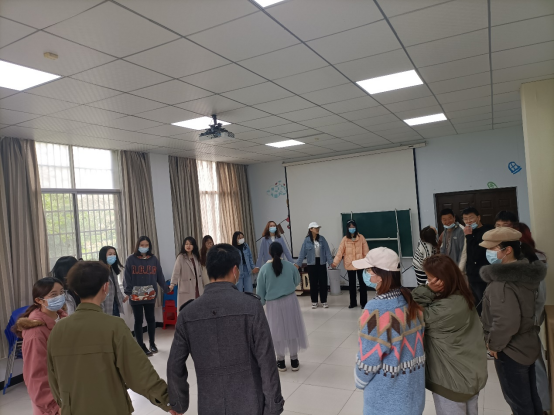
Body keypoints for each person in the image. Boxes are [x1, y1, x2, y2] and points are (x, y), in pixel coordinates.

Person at [167, 244, 284, 415]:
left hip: (209, 405)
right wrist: (273, 406)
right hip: (250, 403)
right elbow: (267, 361)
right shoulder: (251, 306)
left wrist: (178, 403)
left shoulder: (187, 314)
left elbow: (174, 365)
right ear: (235, 270)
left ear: (208, 271)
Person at [47, 261, 172, 415]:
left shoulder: (58, 329)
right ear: (105, 287)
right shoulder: (114, 326)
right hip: (110, 406)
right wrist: (167, 400)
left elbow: (52, 376)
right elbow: (138, 371)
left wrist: (62, 403)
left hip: (72, 409)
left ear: (75, 290)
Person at [479, 227, 546, 415]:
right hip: (529, 343)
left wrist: (494, 344)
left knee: (519, 404)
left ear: (507, 250)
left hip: (511, 350)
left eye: (492, 249)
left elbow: (506, 322)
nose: (488, 253)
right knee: (531, 399)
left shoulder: (502, 283)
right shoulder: (525, 274)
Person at [352, 247, 425, 415]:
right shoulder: (410, 301)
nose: (365, 274)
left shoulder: (375, 310)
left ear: (380, 276)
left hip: (386, 402)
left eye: (368, 270)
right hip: (413, 397)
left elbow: (368, 361)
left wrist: (359, 380)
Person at [412, 255, 487, 415]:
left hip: (452, 381)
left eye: (430, 279)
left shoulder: (447, 308)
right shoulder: (461, 295)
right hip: (469, 374)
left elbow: (412, 309)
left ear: (442, 281)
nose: (428, 282)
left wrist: (428, 290)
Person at [13, 278, 67, 415]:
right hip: (53, 404)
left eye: (62, 292)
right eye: (54, 295)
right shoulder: (35, 333)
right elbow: (36, 376)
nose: (60, 297)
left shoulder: (63, 319)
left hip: (67, 391)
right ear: (39, 300)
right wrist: (54, 407)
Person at [257, 242, 308, 372]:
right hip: (290, 300)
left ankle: (280, 361)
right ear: (282, 253)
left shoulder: (264, 269)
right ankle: (294, 360)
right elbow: (296, 281)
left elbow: (260, 290)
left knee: (277, 331)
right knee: (292, 329)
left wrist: (261, 303)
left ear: (269, 253)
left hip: (273, 304)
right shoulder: (290, 266)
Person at [123, 236, 170, 356]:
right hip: (135, 295)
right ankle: (140, 345)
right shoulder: (131, 259)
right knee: (138, 320)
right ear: (138, 246)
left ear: (149, 246)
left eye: (146, 245)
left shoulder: (153, 259)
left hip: (150, 294)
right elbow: (127, 277)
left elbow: (159, 275)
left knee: (151, 319)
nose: (144, 247)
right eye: (142, 245)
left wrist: (166, 288)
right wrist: (128, 292)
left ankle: (152, 344)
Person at [331, 219, 370, 309]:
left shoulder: (361, 238)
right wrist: (335, 263)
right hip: (350, 264)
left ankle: (364, 303)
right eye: (350, 227)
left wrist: (368, 264)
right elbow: (340, 252)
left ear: (356, 227)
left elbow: (366, 252)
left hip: (360, 264)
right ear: (347, 228)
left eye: (353, 226)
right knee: (352, 285)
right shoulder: (345, 239)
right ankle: (353, 303)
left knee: (362, 284)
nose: (352, 228)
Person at [462, 207, 494, 315]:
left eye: (471, 218)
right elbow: (467, 254)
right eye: (465, 219)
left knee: (484, 304)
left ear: (478, 217)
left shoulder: (487, 231)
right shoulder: (469, 232)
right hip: (472, 274)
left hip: (483, 274)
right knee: (475, 304)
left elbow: (476, 253)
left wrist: (469, 236)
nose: (468, 221)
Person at [296, 222, 333, 309]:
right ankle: (314, 301)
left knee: (323, 283)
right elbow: (302, 253)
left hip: (321, 263)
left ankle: (324, 301)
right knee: (313, 283)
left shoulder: (322, 239)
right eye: (315, 228)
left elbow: (327, 251)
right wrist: (298, 264)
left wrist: (331, 262)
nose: (317, 229)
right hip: (311, 264)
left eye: (318, 228)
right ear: (311, 229)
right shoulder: (306, 240)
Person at [170, 237, 204, 310]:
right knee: (187, 309)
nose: (188, 246)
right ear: (184, 245)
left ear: (193, 246)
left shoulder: (196, 257)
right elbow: (176, 272)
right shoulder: (181, 257)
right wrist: (172, 284)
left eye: (190, 244)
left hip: (197, 287)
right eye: (186, 244)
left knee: (198, 308)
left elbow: (200, 273)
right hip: (186, 288)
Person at [98, 246, 128, 317]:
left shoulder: (112, 269)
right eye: (110, 254)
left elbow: (116, 286)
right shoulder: (100, 271)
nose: (113, 256)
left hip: (114, 304)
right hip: (105, 304)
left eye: (114, 254)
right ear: (103, 256)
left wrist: (122, 297)